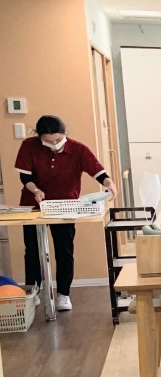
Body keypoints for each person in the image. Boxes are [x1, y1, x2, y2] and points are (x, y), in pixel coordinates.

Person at [14, 114, 117, 312]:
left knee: (64, 250)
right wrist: (36, 190)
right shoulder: (29, 146)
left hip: (65, 206)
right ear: (39, 137)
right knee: (33, 250)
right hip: (34, 204)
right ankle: (34, 292)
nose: (54, 144)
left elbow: (98, 173)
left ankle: (64, 294)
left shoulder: (78, 149)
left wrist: (110, 184)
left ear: (65, 134)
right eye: (48, 141)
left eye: (58, 139)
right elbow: (25, 177)